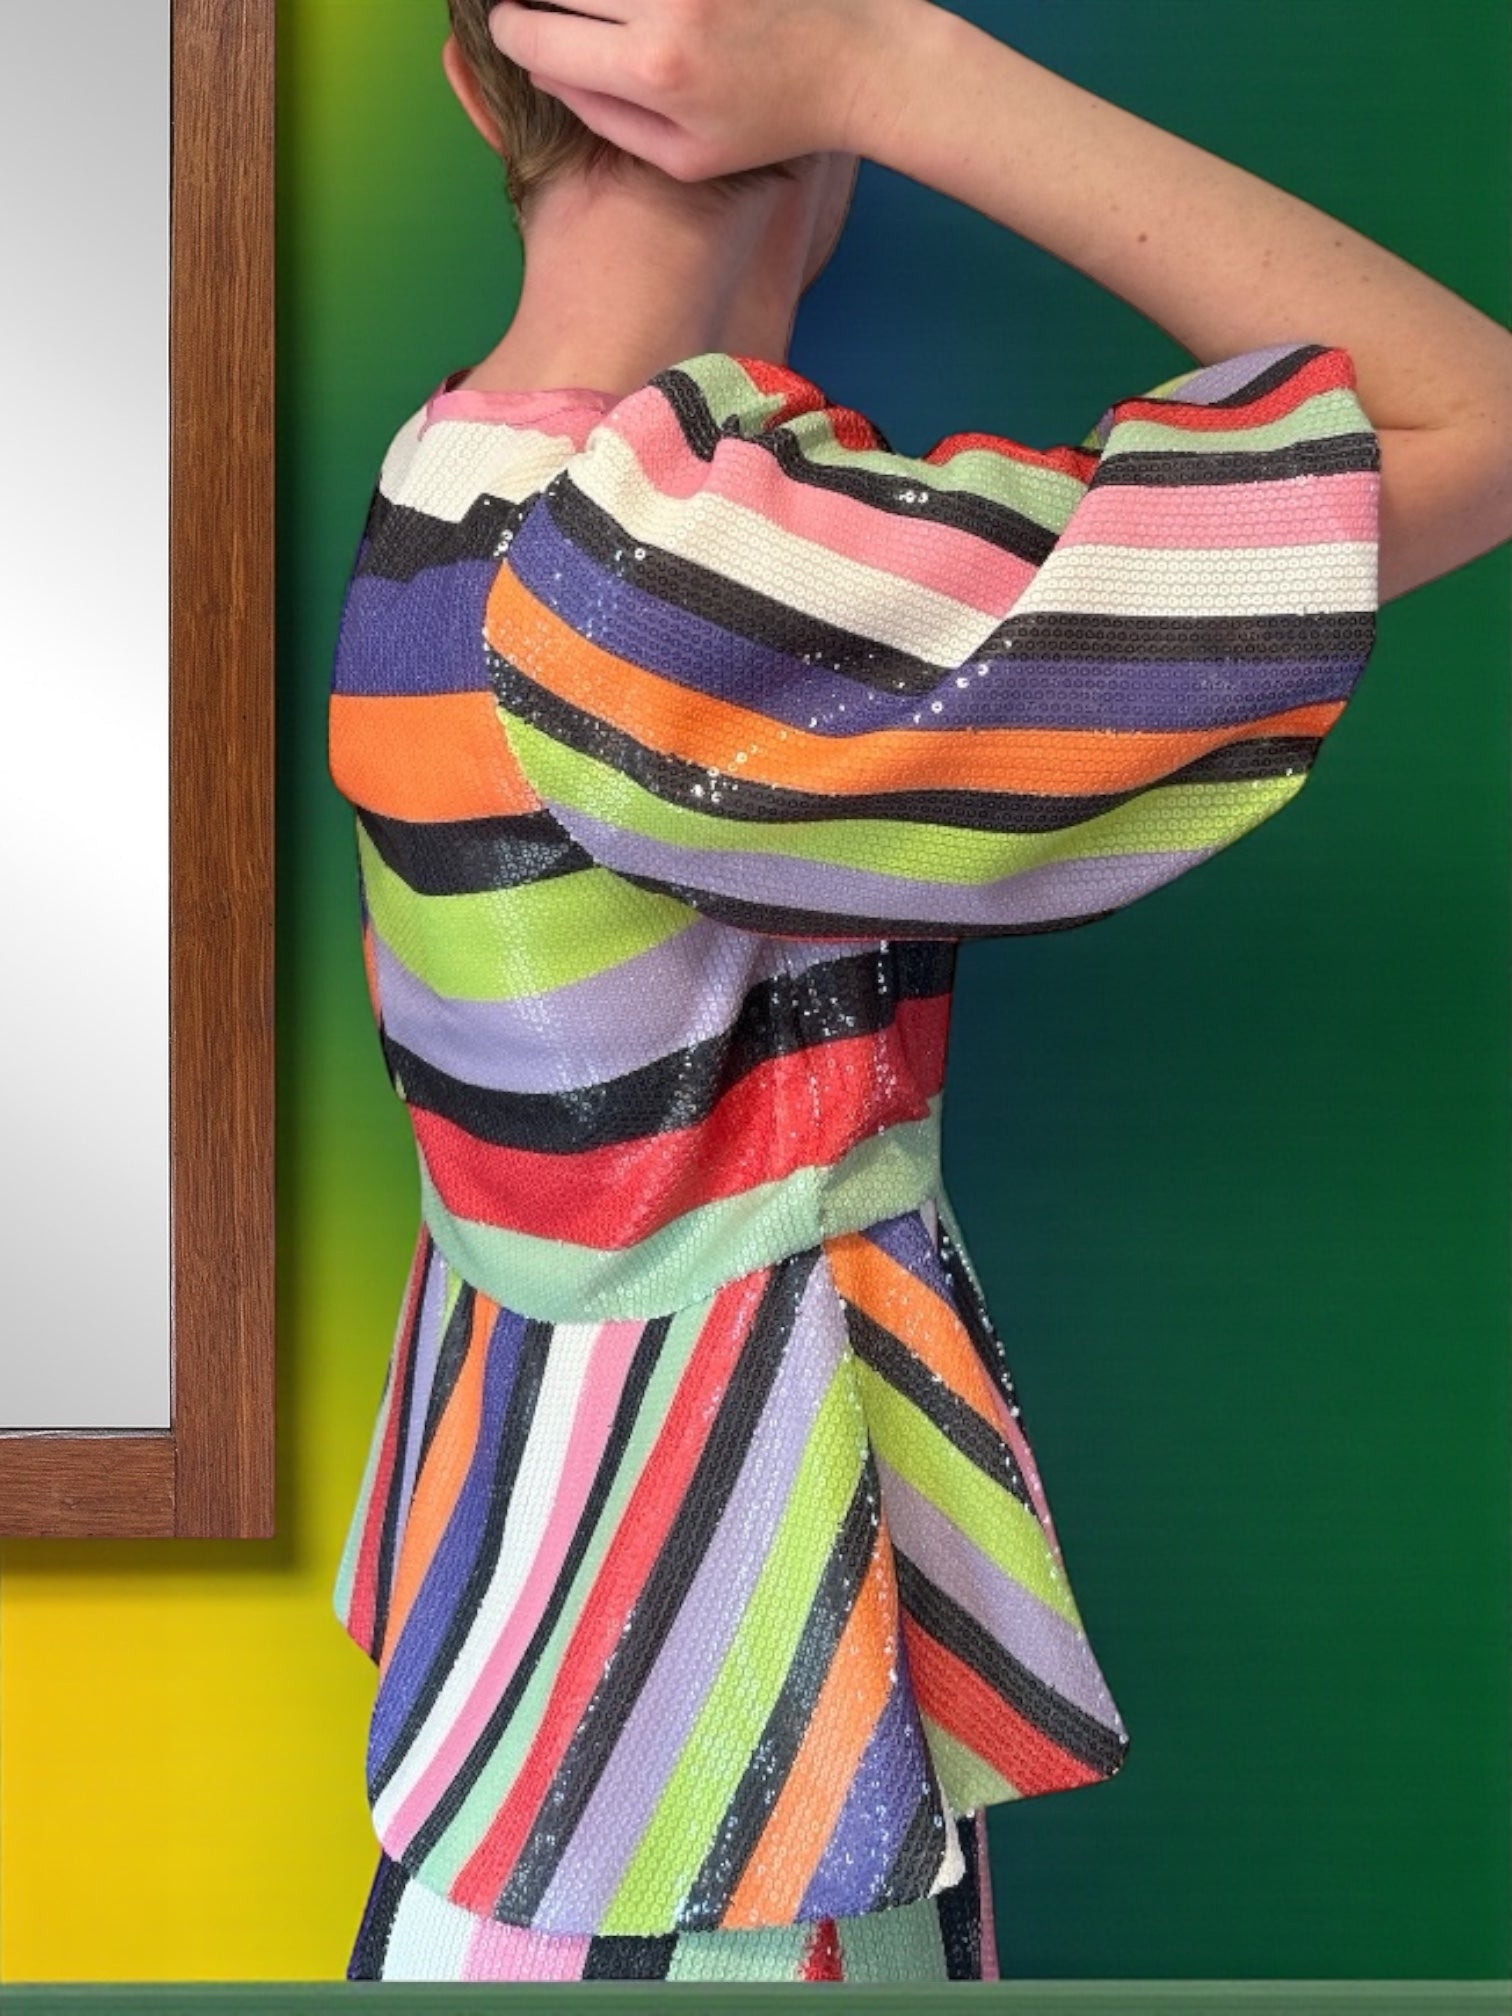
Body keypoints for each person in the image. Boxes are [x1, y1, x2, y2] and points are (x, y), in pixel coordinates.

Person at [328, 0, 1512, 1984]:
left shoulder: (448, 476)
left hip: (531, 1686)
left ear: (473, 80)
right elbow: (1474, 413)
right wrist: (893, 68)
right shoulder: (665, 580)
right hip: (726, 1732)